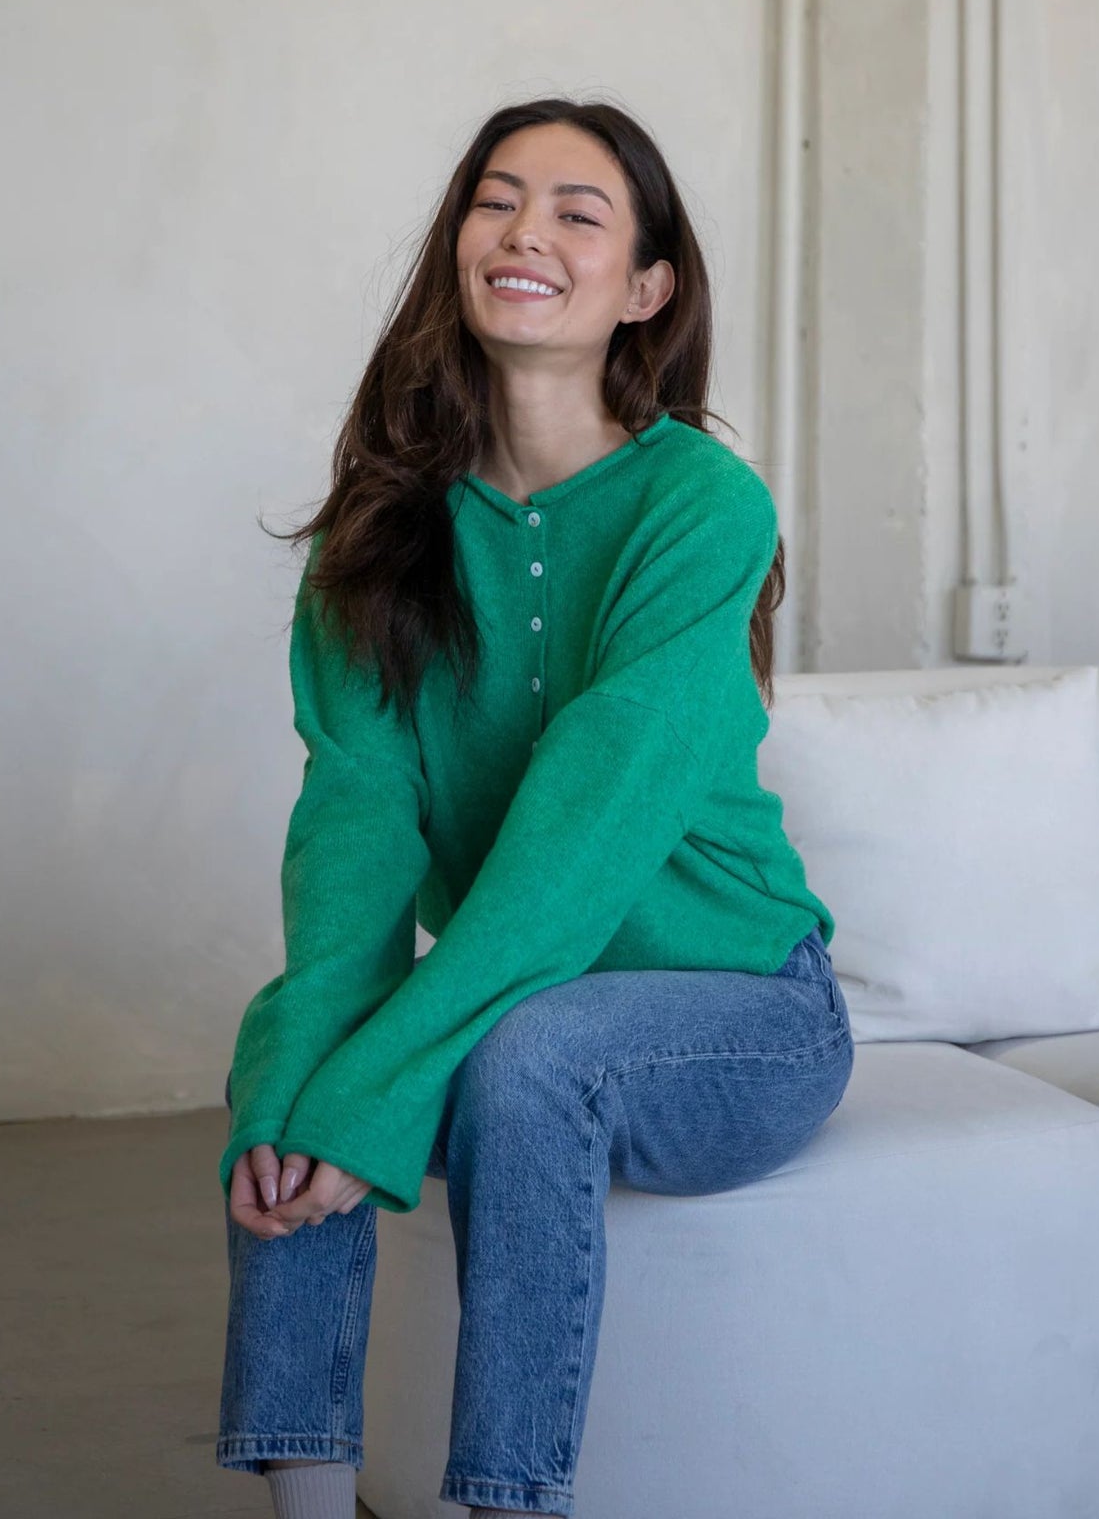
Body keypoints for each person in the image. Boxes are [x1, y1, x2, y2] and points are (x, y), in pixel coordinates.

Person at [216, 97, 853, 1519]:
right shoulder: (380, 530)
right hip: (523, 997)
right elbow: (357, 813)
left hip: (745, 1013)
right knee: (295, 1045)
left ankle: (509, 1503)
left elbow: (593, 811)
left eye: (578, 212)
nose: (524, 233)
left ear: (646, 289)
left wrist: (391, 1078)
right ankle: (305, 1499)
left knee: (528, 1054)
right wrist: (321, 1061)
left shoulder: (703, 504)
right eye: (497, 201)